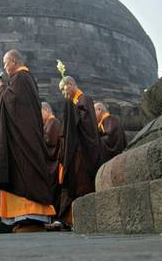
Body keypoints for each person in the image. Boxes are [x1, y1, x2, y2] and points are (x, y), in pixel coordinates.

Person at [0, 49, 56, 233]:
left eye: (5, 63)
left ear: (14, 61)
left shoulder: (21, 78)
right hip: (24, 135)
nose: (4, 67)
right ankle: (22, 218)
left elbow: (13, 102)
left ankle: (29, 215)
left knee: (24, 173)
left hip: (23, 139)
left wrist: (1, 86)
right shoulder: (24, 79)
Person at [57, 76, 102, 226]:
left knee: (83, 184)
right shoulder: (76, 102)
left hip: (84, 151)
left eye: (64, 89)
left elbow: (87, 124)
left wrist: (72, 112)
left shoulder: (84, 100)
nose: (64, 93)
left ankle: (86, 218)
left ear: (71, 84)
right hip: (78, 150)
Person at [41, 101, 62, 213]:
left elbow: (50, 141)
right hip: (49, 163)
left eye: (41, 113)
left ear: (47, 110)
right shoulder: (48, 123)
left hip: (53, 163)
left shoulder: (53, 123)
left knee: (53, 190)